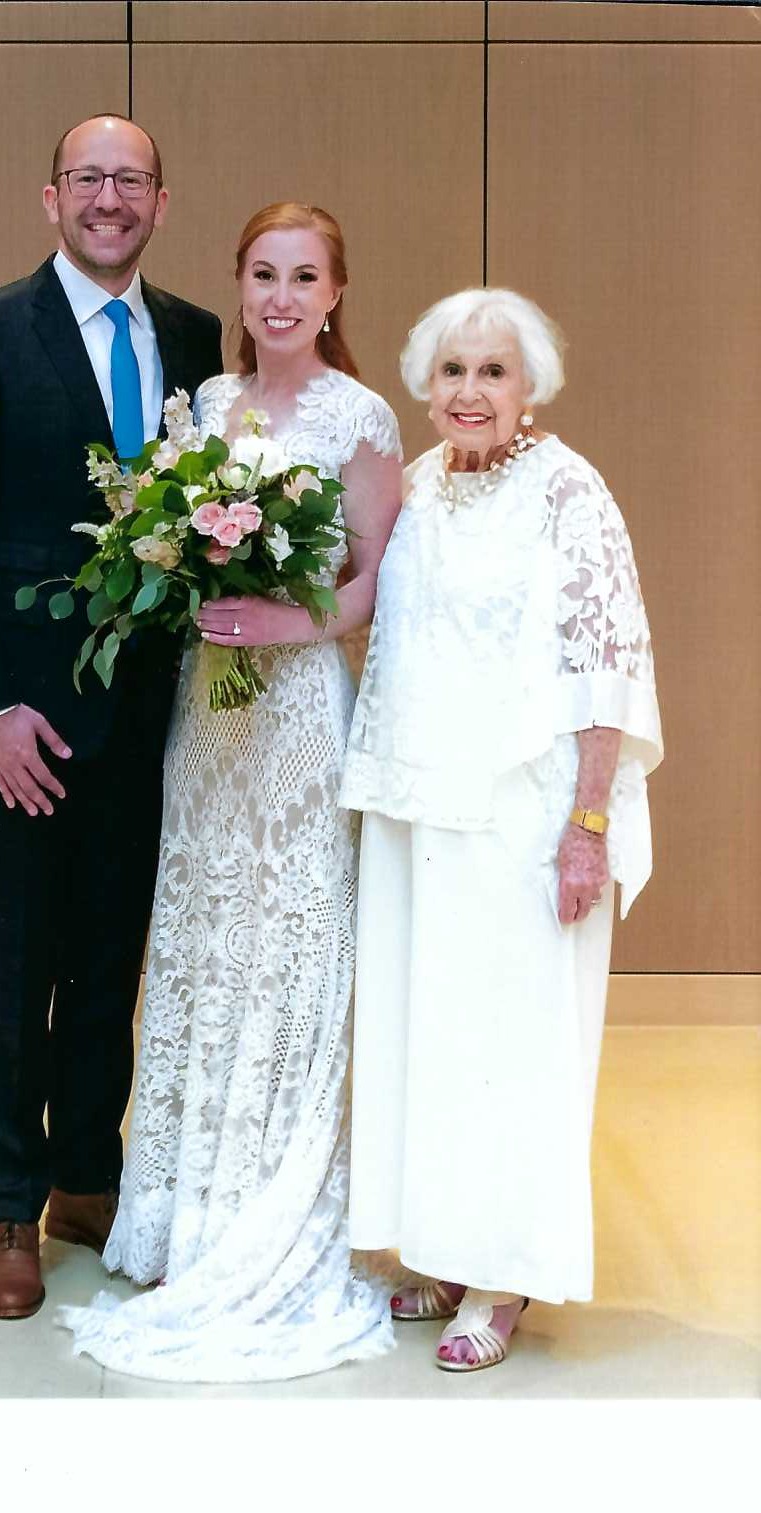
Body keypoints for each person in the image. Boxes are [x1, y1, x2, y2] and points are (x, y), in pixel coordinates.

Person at [58, 203, 405, 1381]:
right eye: (264, 274)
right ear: (240, 285)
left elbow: (375, 579)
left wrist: (290, 621)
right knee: (208, 937)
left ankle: (275, 1208)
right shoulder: (205, 406)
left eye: (305, 276)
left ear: (336, 292)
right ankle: (189, 1216)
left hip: (300, 712)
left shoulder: (360, 416)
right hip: (209, 713)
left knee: (288, 942)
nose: (281, 297)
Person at [0, 115, 222, 1320]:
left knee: (110, 957)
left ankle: (87, 1178)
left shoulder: (193, 335)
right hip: (24, 725)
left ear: (160, 201)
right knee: (17, 963)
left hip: (150, 717)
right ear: (51, 198)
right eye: (87, 178)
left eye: (130, 180)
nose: (109, 198)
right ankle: (9, 1201)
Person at [339, 288, 662, 1372]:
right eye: (452, 371)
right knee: (434, 1039)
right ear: (425, 385)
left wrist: (587, 824)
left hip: (523, 815)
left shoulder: (569, 490)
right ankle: (442, 1251)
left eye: (493, 372)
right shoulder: (420, 484)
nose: (470, 391)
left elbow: (607, 663)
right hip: (420, 810)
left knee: (511, 1046)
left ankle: (503, 1274)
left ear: (529, 389)